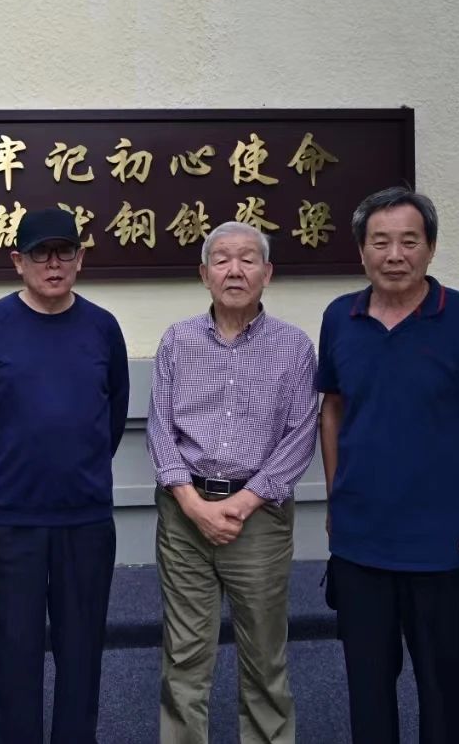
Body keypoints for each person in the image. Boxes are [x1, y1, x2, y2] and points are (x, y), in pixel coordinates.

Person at [317, 186, 459, 744]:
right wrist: (335, 497)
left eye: (409, 241)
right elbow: (332, 410)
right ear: (361, 251)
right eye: (380, 242)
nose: (394, 255)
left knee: (445, 693)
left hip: (444, 545)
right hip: (361, 546)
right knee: (368, 693)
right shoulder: (340, 317)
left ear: (430, 248)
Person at [0, 207, 130, 744]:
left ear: (80, 258)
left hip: (85, 518)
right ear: (18, 261)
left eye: (64, 252)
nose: (53, 264)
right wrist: (4, 466)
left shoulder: (102, 328)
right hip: (12, 520)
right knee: (12, 653)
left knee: (82, 655)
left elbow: (113, 416)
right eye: (40, 254)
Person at [147, 221, 318, 744]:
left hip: (259, 518)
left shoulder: (294, 347)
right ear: (204, 274)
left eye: (248, 259)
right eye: (222, 259)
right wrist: (192, 504)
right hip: (184, 516)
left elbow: (301, 436)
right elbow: (159, 428)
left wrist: (242, 504)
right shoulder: (177, 341)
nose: (235, 270)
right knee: (184, 655)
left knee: (264, 655)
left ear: (268, 273)